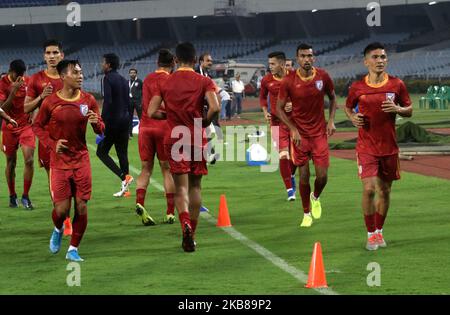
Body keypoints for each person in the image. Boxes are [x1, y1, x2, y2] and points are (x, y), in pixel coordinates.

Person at [148, 42, 220, 252]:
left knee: (180, 188)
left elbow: (151, 111)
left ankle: (184, 224)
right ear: (196, 60)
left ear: (176, 60)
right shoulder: (204, 81)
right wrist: (205, 121)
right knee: (195, 186)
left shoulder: (166, 82)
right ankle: (193, 233)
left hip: (174, 136)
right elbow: (215, 107)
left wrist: (170, 114)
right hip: (196, 136)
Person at [32, 60, 105, 262]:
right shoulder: (51, 102)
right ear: (63, 76)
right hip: (59, 162)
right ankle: (57, 228)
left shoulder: (89, 100)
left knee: (81, 206)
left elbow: (101, 129)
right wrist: (52, 143)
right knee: (62, 210)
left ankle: (73, 248)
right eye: (75, 72)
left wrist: (97, 124)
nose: (80, 76)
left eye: (81, 72)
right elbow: (37, 127)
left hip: (81, 160)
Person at [344, 42, 412, 251]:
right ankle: (370, 233)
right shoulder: (357, 87)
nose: (380, 60)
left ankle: (379, 231)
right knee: (369, 189)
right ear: (366, 62)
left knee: (385, 191)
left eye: (383, 57)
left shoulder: (397, 84)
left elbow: (409, 110)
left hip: (389, 148)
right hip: (366, 147)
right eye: (375, 57)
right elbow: (348, 107)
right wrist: (354, 117)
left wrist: (397, 108)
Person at [277, 43, 337, 228]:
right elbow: (278, 108)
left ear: (314, 57)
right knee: (303, 175)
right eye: (303, 56)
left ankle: (315, 196)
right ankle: (306, 213)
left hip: (319, 133)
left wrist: (331, 120)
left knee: (322, 176)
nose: (307, 59)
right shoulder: (289, 81)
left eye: (309, 56)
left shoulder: (323, 76)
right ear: (297, 59)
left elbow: (333, 98)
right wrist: (293, 129)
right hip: (300, 136)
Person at [24, 39, 72, 234]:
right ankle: (64, 220)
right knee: (55, 179)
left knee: (72, 180)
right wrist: (41, 97)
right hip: (48, 140)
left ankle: (65, 216)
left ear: (62, 55)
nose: (52, 56)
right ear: (44, 56)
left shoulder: (69, 77)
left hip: (70, 138)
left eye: (55, 53)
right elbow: (26, 108)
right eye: (48, 53)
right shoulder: (36, 79)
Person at [135, 49, 176, 226]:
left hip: (145, 127)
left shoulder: (147, 79)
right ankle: (169, 212)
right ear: (173, 63)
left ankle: (140, 202)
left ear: (157, 63)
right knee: (166, 169)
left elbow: (145, 103)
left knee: (145, 169)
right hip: (163, 127)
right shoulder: (171, 80)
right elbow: (168, 105)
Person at [259, 52, 296, 201]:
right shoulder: (267, 80)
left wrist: (293, 103)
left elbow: (302, 95)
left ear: (281, 64)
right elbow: (262, 97)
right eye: (269, 64)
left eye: (273, 64)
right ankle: (289, 190)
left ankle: (291, 175)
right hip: (276, 122)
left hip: (294, 122)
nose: (270, 67)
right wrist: (264, 111)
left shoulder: (294, 76)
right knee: (283, 155)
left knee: (295, 158)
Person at [97, 53, 134, 197]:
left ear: (108, 65)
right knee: (122, 153)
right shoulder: (124, 80)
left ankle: (123, 177)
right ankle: (126, 190)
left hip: (112, 122)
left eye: (103, 62)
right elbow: (128, 103)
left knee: (101, 152)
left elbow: (108, 102)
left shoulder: (107, 78)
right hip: (125, 120)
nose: (102, 65)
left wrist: (102, 122)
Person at [0, 59, 35, 209]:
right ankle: (12, 195)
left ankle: (25, 196)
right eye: (17, 75)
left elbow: (32, 100)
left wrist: (33, 113)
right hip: (8, 126)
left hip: (26, 126)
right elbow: (2, 109)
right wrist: (13, 91)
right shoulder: (2, 84)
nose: (20, 78)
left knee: (29, 160)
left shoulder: (27, 81)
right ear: (11, 72)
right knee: (11, 163)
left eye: (22, 74)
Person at [128, 68, 143, 138]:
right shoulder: (127, 82)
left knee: (141, 117)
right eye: (131, 73)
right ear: (129, 74)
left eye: (134, 72)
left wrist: (142, 101)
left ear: (136, 74)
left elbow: (143, 92)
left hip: (138, 101)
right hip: (130, 101)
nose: (132, 74)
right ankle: (129, 133)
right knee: (129, 117)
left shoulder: (140, 82)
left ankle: (142, 132)